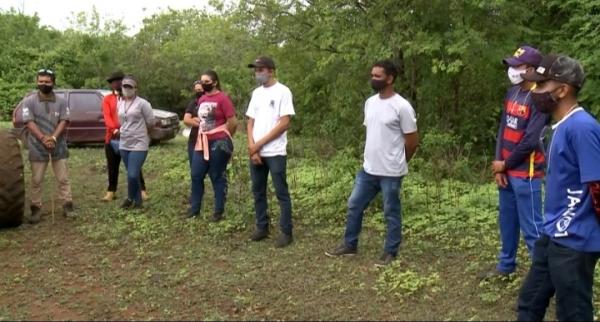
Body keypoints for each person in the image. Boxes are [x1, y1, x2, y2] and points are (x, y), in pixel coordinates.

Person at [516, 55, 600, 321]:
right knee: (529, 302)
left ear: (562, 90)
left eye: (541, 86)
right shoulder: (558, 126)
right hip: (552, 234)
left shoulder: (583, 127)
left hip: (575, 241)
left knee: (573, 312)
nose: (535, 92)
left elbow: (597, 185)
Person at [325, 59, 419, 267]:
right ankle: (350, 244)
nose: (373, 79)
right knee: (354, 204)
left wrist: (400, 161)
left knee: (390, 212)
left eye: (378, 76)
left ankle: (390, 252)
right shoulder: (370, 102)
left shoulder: (402, 106)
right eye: (372, 75)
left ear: (390, 78)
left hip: (391, 172)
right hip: (369, 169)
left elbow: (412, 141)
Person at [485, 46, 548, 278]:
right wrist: (498, 163)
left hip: (527, 174)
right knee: (507, 222)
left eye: (517, 66)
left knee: (533, 229)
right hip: (507, 171)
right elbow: (503, 127)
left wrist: (506, 164)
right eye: (511, 65)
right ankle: (506, 266)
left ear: (530, 69)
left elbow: (531, 140)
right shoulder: (512, 92)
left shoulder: (540, 98)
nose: (511, 70)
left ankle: (543, 276)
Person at [246, 56, 296, 248]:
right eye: (256, 70)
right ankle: (262, 226)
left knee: (281, 192)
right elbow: (250, 121)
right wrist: (252, 147)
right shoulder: (256, 93)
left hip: (275, 152)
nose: (257, 73)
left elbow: (284, 123)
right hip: (256, 151)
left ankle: (286, 231)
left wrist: (259, 145)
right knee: (258, 190)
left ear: (271, 70)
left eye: (260, 69)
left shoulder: (283, 91)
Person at [22, 68, 76, 223]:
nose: (43, 84)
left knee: (63, 178)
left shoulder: (61, 101)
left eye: (47, 81)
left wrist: (53, 137)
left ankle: (67, 205)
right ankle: (36, 209)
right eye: (40, 81)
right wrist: (43, 138)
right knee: (36, 180)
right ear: (37, 82)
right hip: (37, 146)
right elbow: (29, 122)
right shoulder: (29, 101)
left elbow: (64, 121)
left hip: (58, 145)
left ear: (53, 83)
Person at [185, 70, 237, 221]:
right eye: (202, 81)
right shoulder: (201, 99)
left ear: (214, 82)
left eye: (206, 81)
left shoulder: (223, 98)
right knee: (196, 174)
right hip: (202, 141)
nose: (203, 84)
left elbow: (233, 122)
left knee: (216, 175)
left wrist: (226, 136)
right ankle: (195, 208)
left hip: (219, 141)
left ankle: (218, 211)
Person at [101, 71, 148, 202]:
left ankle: (142, 189)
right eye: (113, 82)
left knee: (134, 166)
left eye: (118, 81)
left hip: (131, 137)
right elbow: (107, 117)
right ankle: (111, 190)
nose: (116, 84)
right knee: (112, 165)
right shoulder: (107, 99)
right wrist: (115, 130)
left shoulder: (131, 98)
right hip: (112, 137)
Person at [117, 75, 155, 209]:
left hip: (139, 142)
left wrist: (144, 134)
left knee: (133, 173)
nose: (127, 89)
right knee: (130, 174)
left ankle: (129, 197)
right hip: (124, 142)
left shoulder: (143, 103)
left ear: (135, 89)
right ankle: (137, 201)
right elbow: (121, 121)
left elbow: (151, 122)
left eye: (130, 87)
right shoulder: (120, 102)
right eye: (124, 86)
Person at [183, 80, 204, 166]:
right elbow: (186, 120)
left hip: (208, 139)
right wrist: (194, 121)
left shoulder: (211, 102)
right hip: (194, 139)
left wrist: (199, 120)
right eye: (196, 90)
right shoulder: (193, 103)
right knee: (194, 167)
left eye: (200, 90)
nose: (198, 92)